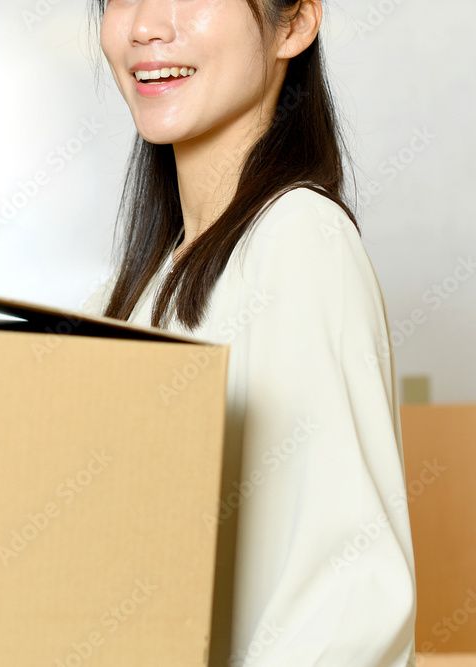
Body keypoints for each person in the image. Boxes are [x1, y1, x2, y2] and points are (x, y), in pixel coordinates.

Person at [80, 0, 417, 664]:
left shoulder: (300, 240)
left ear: (294, 24)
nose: (145, 26)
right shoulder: (128, 294)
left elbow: (345, 600)